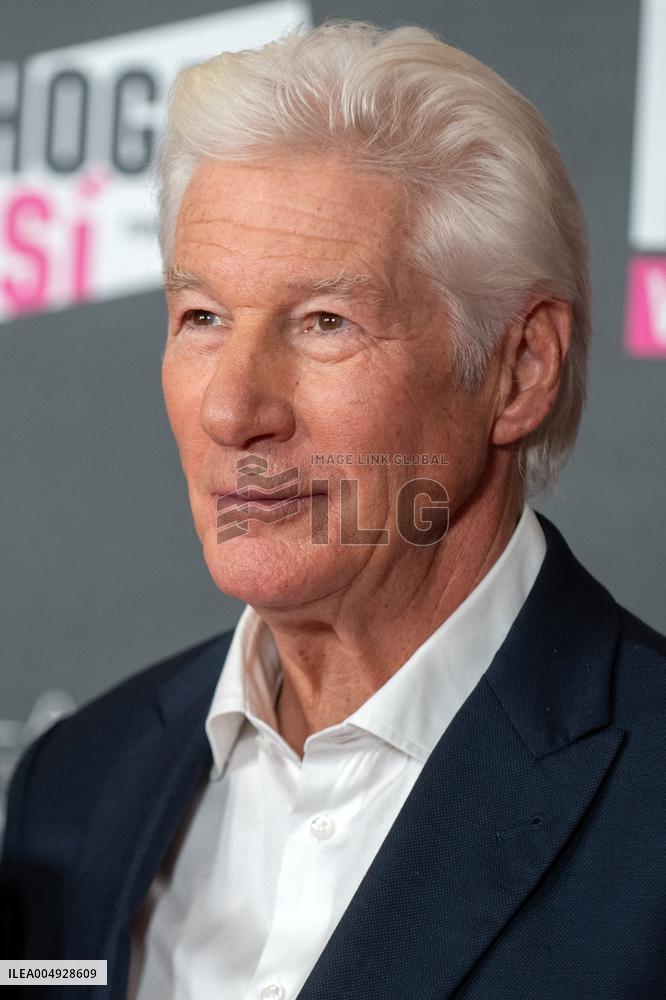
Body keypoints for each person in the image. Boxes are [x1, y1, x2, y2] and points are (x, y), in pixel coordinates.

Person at [2, 19, 665, 1000]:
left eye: (325, 322)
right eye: (202, 318)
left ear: (519, 370)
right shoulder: (74, 781)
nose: (234, 409)